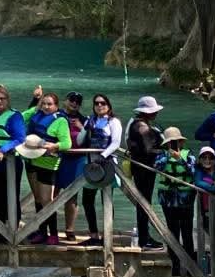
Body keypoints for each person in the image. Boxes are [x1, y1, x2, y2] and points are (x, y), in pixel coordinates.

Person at [21, 90, 71, 245]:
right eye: (44, 104)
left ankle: (53, 234)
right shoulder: (37, 115)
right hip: (31, 161)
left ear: (56, 106)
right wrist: (35, 106)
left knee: (46, 201)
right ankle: (41, 231)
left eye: (50, 104)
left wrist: (55, 145)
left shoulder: (61, 121)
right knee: (37, 199)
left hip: (48, 163)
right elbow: (21, 118)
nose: (46, 107)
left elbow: (67, 143)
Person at [80, 93, 123, 245]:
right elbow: (80, 140)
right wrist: (85, 128)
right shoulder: (90, 120)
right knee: (87, 200)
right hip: (91, 164)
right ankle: (93, 235)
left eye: (103, 103)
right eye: (96, 103)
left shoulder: (113, 122)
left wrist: (103, 156)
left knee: (107, 200)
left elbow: (116, 143)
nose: (99, 106)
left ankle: (107, 235)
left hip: (107, 164)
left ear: (108, 105)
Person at [0, 85, 26, 237]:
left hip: (10, 162)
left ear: (7, 100)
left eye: (2, 98)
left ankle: (14, 229)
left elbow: (20, 139)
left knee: (11, 195)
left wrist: (3, 149)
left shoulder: (14, 116)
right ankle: (1, 230)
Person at [155, 127, 196, 276]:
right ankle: (175, 265)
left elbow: (193, 171)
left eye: (176, 141)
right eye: (171, 142)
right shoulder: (162, 156)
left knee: (187, 232)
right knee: (172, 232)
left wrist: (180, 159)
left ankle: (191, 267)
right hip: (168, 199)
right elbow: (157, 168)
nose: (173, 144)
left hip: (186, 199)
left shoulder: (189, 154)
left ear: (181, 142)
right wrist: (168, 156)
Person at [126, 95, 165, 250]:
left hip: (140, 168)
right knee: (144, 203)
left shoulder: (135, 124)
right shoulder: (142, 127)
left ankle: (145, 236)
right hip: (144, 169)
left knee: (143, 203)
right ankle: (144, 239)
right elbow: (149, 149)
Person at [56, 92, 88, 241]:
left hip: (77, 159)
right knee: (51, 193)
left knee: (72, 195)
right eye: (71, 100)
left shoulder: (84, 119)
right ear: (65, 101)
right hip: (59, 157)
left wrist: (82, 127)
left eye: (77, 101)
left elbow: (92, 139)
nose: (74, 103)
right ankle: (49, 228)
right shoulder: (56, 115)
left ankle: (70, 229)